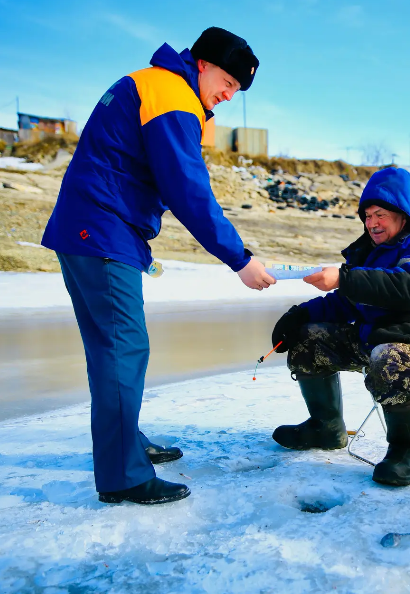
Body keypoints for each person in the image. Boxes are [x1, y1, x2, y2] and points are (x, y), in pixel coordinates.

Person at [41, 27, 276, 505]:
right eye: (229, 82)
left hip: (92, 228)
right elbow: (187, 190)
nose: (229, 95)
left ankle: (128, 441)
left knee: (112, 349)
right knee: (123, 347)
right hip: (101, 232)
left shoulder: (153, 83)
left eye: (237, 89)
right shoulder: (172, 96)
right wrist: (240, 259)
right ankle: (124, 476)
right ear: (204, 64)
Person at [271, 167, 410, 486]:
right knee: (307, 338)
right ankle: (326, 427)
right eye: (368, 215)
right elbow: (347, 302)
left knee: (390, 358)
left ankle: (408, 451)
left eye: (381, 214)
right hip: (375, 335)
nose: (372, 223)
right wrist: (299, 314)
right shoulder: (371, 251)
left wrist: (345, 277)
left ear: (402, 214)